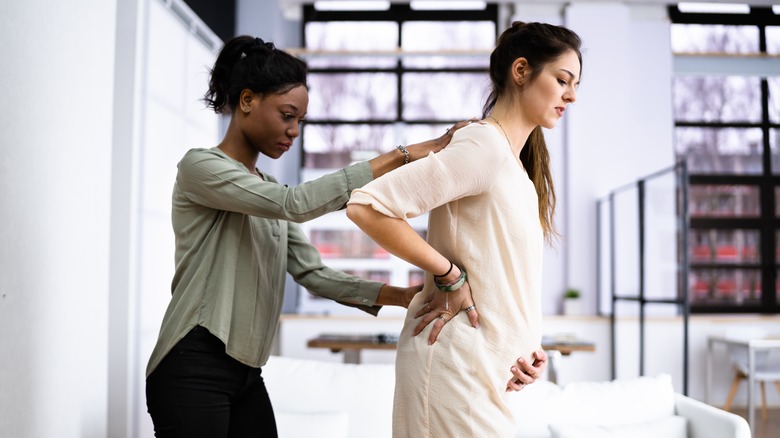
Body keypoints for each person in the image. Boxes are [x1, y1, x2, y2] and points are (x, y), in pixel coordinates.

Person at [144, 35, 548, 438]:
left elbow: (313, 273)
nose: (294, 131)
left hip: (246, 373)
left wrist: (407, 297)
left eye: (300, 120)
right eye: (287, 115)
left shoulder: (261, 188)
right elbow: (295, 202)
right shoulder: (201, 168)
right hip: (193, 363)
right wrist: (403, 154)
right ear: (247, 100)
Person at [346, 21, 582, 437]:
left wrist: (526, 347)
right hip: (453, 365)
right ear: (522, 70)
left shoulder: (516, 169)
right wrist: (448, 275)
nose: (571, 95)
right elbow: (368, 207)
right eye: (562, 80)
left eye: (575, 84)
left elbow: (505, 275)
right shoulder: (483, 145)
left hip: (485, 371)